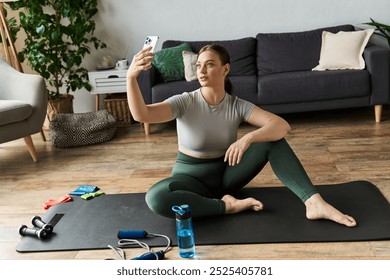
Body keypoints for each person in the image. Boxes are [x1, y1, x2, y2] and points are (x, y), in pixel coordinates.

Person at [126, 43, 357, 227]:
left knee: (273, 141)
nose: (201, 71)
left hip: (227, 175)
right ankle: (227, 206)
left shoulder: (237, 105)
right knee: (156, 197)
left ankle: (314, 203)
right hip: (190, 181)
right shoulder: (185, 101)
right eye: (198, 66)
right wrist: (130, 78)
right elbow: (142, 114)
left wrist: (248, 138)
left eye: (209, 65)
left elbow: (281, 126)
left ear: (225, 69)